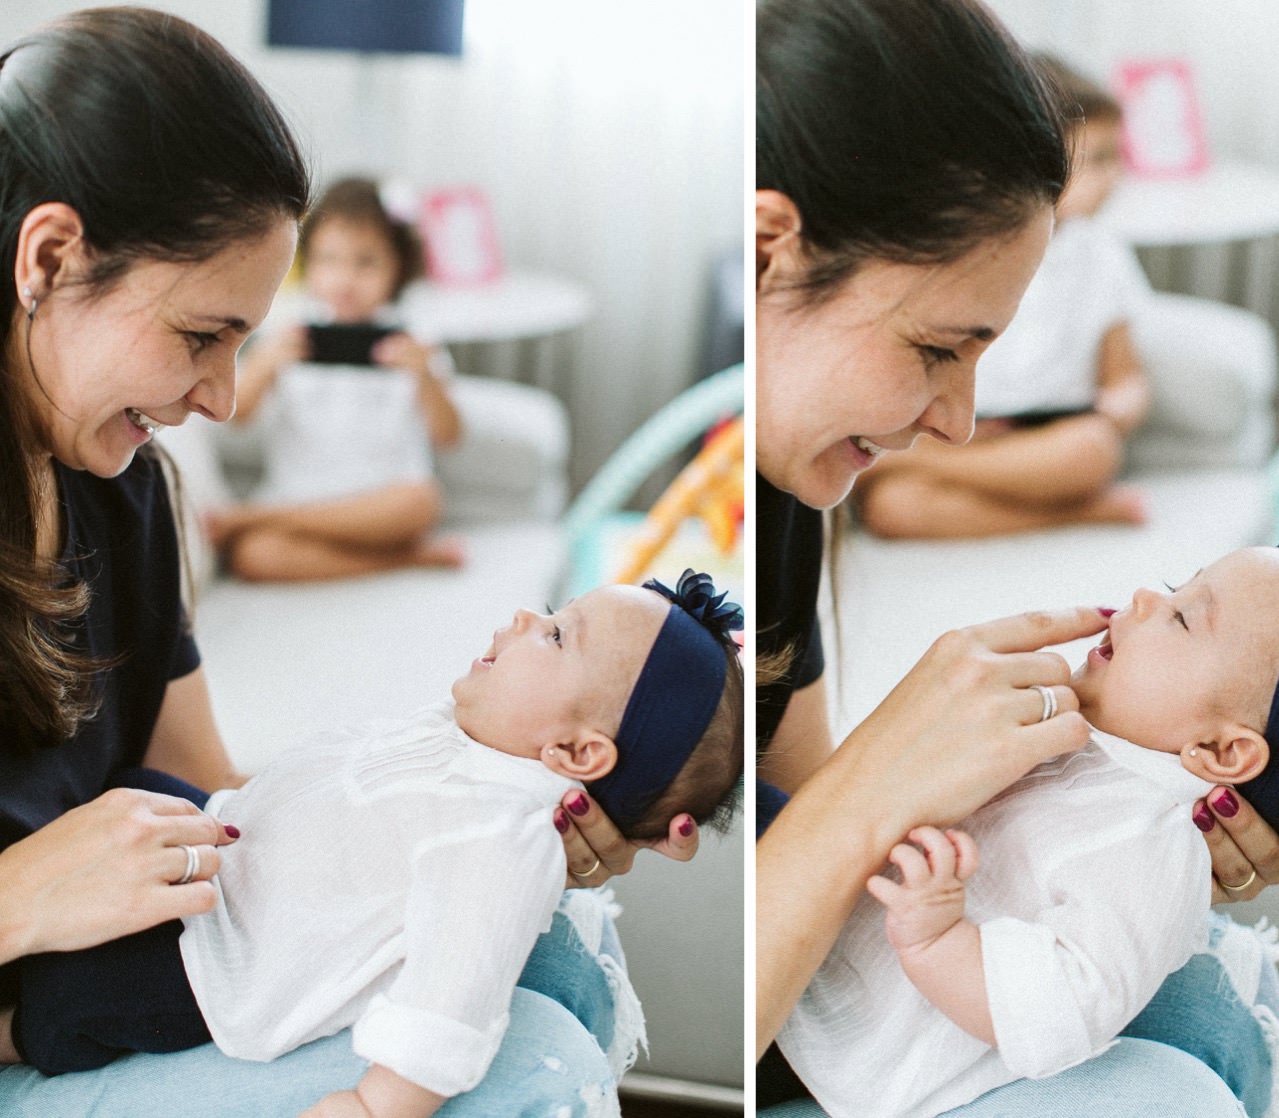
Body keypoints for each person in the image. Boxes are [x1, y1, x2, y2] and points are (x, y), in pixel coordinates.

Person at [0, 9, 691, 1116]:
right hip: (38, 997)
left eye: (243, 341)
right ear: (50, 257)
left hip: (156, 949)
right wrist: (18, 897)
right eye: (199, 336)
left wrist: (453, 815)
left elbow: (208, 780)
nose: (223, 400)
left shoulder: (124, 488)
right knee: (533, 1072)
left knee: (552, 949)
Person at [754, 1, 1279, 1115]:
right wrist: (878, 781)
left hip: (859, 968)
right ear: (767, 249)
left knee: (1215, 1013)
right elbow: (813, 827)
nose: (958, 420)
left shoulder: (793, 490)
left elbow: (790, 799)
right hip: (802, 1018)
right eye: (938, 348)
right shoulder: (763, 478)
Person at [2, 571, 745, 1118]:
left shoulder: (498, 838)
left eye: (555, 635)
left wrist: (375, 1104)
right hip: (233, 845)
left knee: (72, 1002)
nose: (523, 616)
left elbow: (453, 996)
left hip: (215, 967)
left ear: (577, 755)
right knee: (140, 786)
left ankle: (11, 1043)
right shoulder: (485, 740)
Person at [776, 520, 1279, 1117]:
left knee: (1226, 1001)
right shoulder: (1091, 750)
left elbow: (1055, 1013)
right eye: (1176, 588)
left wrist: (937, 937)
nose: (1146, 599)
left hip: (877, 1056)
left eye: (1181, 618)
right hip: (819, 985)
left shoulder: (1148, 846)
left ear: (1222, 751)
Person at [853, 54, 1151, 538]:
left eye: (1118, 157)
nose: (1114, 177)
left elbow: (1126, 377)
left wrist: (1118, 408)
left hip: (1046, 437)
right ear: (1035, 159)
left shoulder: (1103, 256)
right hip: (958, 436)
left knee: (1092, 451)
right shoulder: (957, 252)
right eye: (1097, 159)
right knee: (891, 509)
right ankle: (1081, 512)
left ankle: (1071, 504)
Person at [208, 176, 466, 582]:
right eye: (329, 260)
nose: (345, 279)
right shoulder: (287, 334)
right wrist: (265, 363)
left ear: (397, 266)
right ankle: (412, 558)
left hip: (382, 505)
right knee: (253, 556)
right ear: (307, 260)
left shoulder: (416, 342)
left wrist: (425, 376)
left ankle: (251, 516)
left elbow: (449, 436)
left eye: (365, 262)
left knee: (423, 500)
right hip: (301, 500)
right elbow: (235, 417)